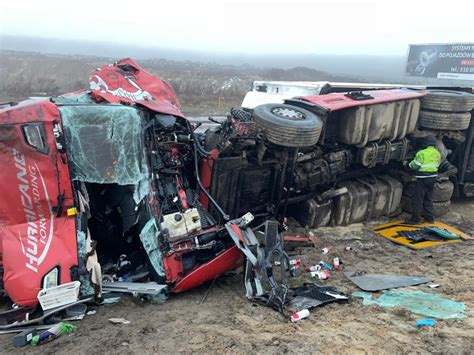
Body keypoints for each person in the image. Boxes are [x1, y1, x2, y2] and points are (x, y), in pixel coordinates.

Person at [406, 136, 442, 224]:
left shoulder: (421, 153)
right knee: (428, 198)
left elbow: (415, 165)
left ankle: (415, 219)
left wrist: (407, 164)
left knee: (418, 198)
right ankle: (430, 218)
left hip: (423, 178)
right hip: (432, 178)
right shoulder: (437, 153)